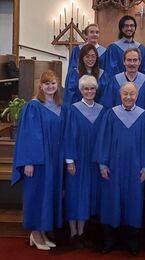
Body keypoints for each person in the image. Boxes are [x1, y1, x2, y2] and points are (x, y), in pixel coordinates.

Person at [93, 82, 145, 255]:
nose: (128, 97)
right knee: (111, 200)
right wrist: (102, 164)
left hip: (135, 167)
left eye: (132, 94)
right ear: (120, 95)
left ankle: (132, 240)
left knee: (133, 201)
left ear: (137, 96)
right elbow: (103, 139)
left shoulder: (144, 116)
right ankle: (110, 239)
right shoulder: (111, 114)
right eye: (125, 94)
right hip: (113, 166)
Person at [12, 70, 65, 250]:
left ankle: (42, 232)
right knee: (36, 195)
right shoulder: (33, 107)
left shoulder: (59, 107)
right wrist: (29, 161)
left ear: (57, 86)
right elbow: (28, 137)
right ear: (40, 86)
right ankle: (34, 233)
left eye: (53, 83)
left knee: (47, 195)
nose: (50, 86)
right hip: (38, 162)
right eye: (46, 83)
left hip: (54, 161)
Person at [64, 75, 106, 249]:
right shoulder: (73, 110)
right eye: (86, 89)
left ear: (96, 90)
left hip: (94, 161)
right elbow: (68, 136)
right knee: (75, 195)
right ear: (80, 90)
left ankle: (82, 232)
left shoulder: (103, 110)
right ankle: (73, 233)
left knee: (86, 196)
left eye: (92, 89)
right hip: (78, 160)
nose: (89, 92)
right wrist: (70, 160)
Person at [100, 48, 145, 122]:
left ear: (139, 62)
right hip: (118, 124)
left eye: (135, 60)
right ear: (124, 62)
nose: (132, 63)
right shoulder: (114, 81)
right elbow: (108, 107)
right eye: (129, 60)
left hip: (140, 125)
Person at [64, 43, 109, 108]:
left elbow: (105, 97)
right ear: (82, 58)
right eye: (87, 56)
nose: (90, 59)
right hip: (78, 111)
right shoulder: (74, 74)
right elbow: (70, 98)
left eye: (93, 56)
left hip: (98, 112)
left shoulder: (103, 75)